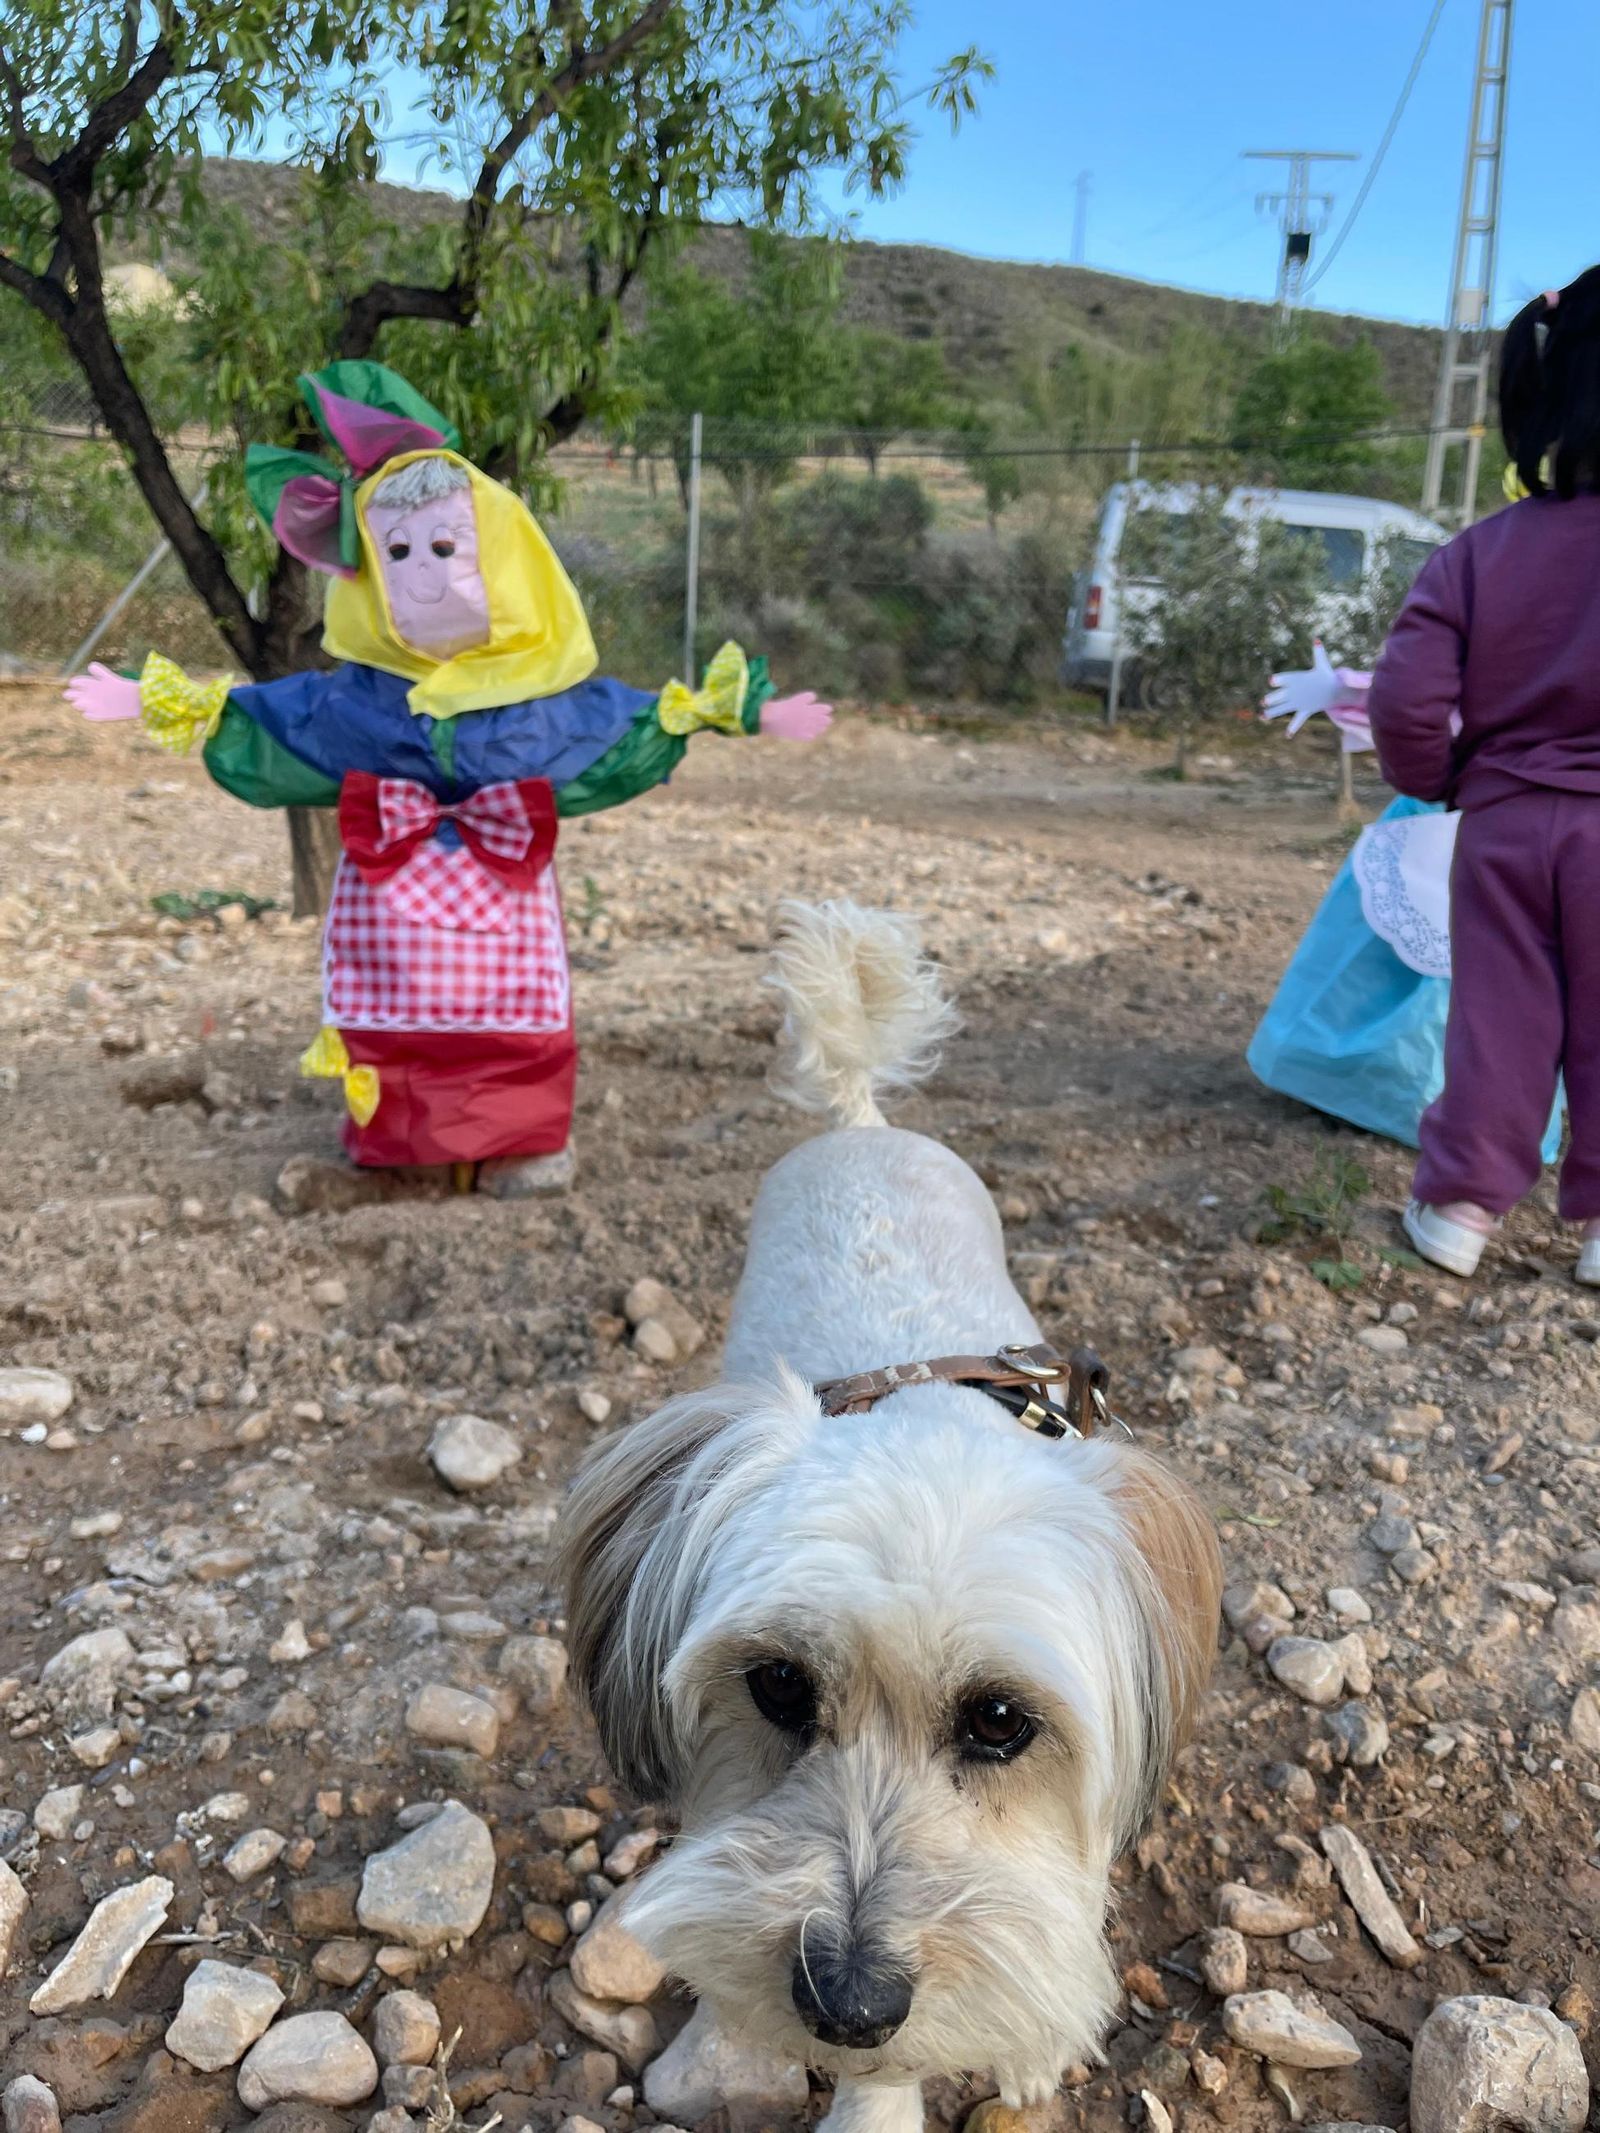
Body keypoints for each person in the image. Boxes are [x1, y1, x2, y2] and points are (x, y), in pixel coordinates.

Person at [66, 362, 831, 1194]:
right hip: (389, 909)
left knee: (508, 1030)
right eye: (397, 552)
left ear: (506, 555)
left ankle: (526, 1143)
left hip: (503, 904)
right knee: (395, 1027)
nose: (425, 574)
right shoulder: (356, 700)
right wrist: (150, 698)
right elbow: (275, 716)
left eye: (444, 546)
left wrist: (747, 710)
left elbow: (630, 719)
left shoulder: (543, 704)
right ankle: (398, 1154)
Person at [1363, 269, 1600, 1281]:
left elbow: (1402, 702)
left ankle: (1459, 1210)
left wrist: (1449, 778)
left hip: (1501, 823)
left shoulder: (1476, 552)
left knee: (1497, 1018)